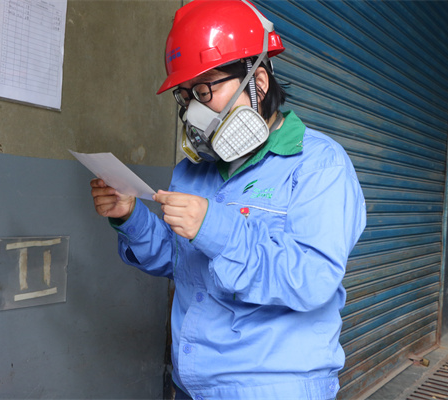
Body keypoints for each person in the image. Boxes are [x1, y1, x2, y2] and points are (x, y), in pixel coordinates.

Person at [90, 0, 366, 398]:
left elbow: (312, 279)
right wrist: (131, 217)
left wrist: (214, 227)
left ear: (259, 82)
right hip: (193, 387)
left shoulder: (319, 164)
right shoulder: (193, 170)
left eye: (205, 90)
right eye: (186, 96)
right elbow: (183, 264)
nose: (194, 112)